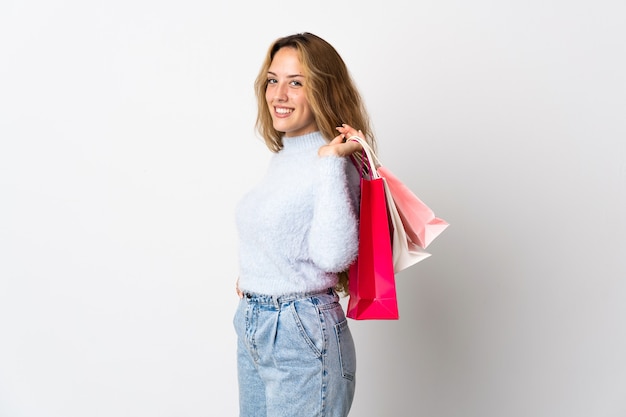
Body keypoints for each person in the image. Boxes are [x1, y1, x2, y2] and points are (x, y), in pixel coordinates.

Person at [233, 32, 377, 417]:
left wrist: (331, 159)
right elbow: (281, 235)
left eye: (296, 82)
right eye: (273, 79)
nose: (279, 94)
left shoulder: (334, 162)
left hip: (301, 332)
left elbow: (333, 256)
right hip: (256, 324)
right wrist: (257, 276)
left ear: (324, 90)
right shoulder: (285, 156)